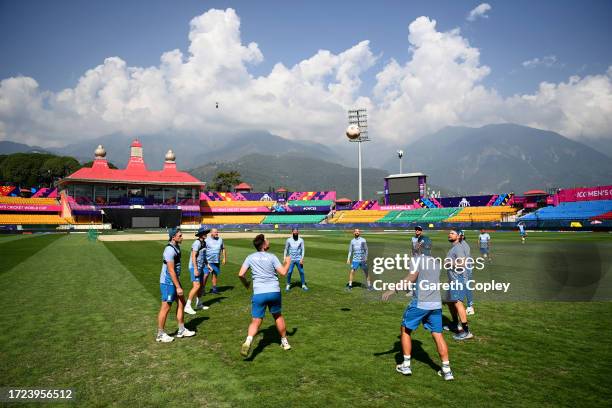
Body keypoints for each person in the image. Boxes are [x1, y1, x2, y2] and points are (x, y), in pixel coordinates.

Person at [382, 236, 454, 381]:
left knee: (405, 330)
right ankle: (447, 370)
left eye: (416, 244)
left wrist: (393, 290)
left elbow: (412, 277)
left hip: (421, 302)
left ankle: (406, 365)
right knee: (438, 334)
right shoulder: (436, 261)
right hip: (435, 304)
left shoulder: (417, 260)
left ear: (420, 246)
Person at [238, 234, 292, 357]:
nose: (268, 241)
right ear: (263, 244)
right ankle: (285, 342)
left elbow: (241, 274)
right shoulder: (272, 257)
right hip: (274, 291)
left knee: (256, 321)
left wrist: (246, 284)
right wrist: (288, 262)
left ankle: (248, 340)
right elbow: (283, 272)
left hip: (259, 293)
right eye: (267, 240)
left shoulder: (250, 257)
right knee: (277, 316)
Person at [156, 228, 195, 343]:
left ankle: (181, 329)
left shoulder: (176, 247)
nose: (182, 237)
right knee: (166, 307)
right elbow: (171, 270)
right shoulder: (169, 250)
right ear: (173, 237)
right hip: (168, 282)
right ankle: (160, 334)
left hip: (174, 281)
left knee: (182, 302)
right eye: (180, 235)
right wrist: (178, 287)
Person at [443, 229, 474, 341]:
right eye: (449, 233)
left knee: (457, 303)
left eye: (452, 233)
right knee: (449, 302)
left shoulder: (458, 248)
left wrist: (448, 263)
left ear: (458, 236)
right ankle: (455, 323)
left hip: (458, 279)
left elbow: (462, 263)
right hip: (452, 279)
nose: (449, 234)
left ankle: (466, 331)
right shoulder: (454, 247)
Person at [185, 226, 211, 315]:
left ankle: (199, 304)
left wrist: (208, 265)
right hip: (194, 267)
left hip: (200, 266)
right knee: (196, 286)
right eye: (204, 233)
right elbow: (193, 256)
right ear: (200, 235)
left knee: (199, 286)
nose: (206, 234)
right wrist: (195, 269)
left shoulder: (204, 243)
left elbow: (203, 256)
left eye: (206, 233)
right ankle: (187, 306)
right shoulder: (197, 243)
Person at [204, 228, 226, 294]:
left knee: (215, 274)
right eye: (215, 232)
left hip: (216, 260)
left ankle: (214, 289)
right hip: (208, 261)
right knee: (206, 275)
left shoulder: (220, 239)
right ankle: (202, 289)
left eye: (217, 232)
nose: (217, 233)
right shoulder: (206, 240)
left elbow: (223, 249)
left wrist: (224, 258)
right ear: (211, 233)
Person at [458, 230, 475, 316]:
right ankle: (462, 305)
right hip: (463, 269)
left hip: (466, 269)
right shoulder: (459, 245)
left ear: (463, 236)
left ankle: (470, 307)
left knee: (466, 287)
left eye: (459, 235)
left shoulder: (464, 245)